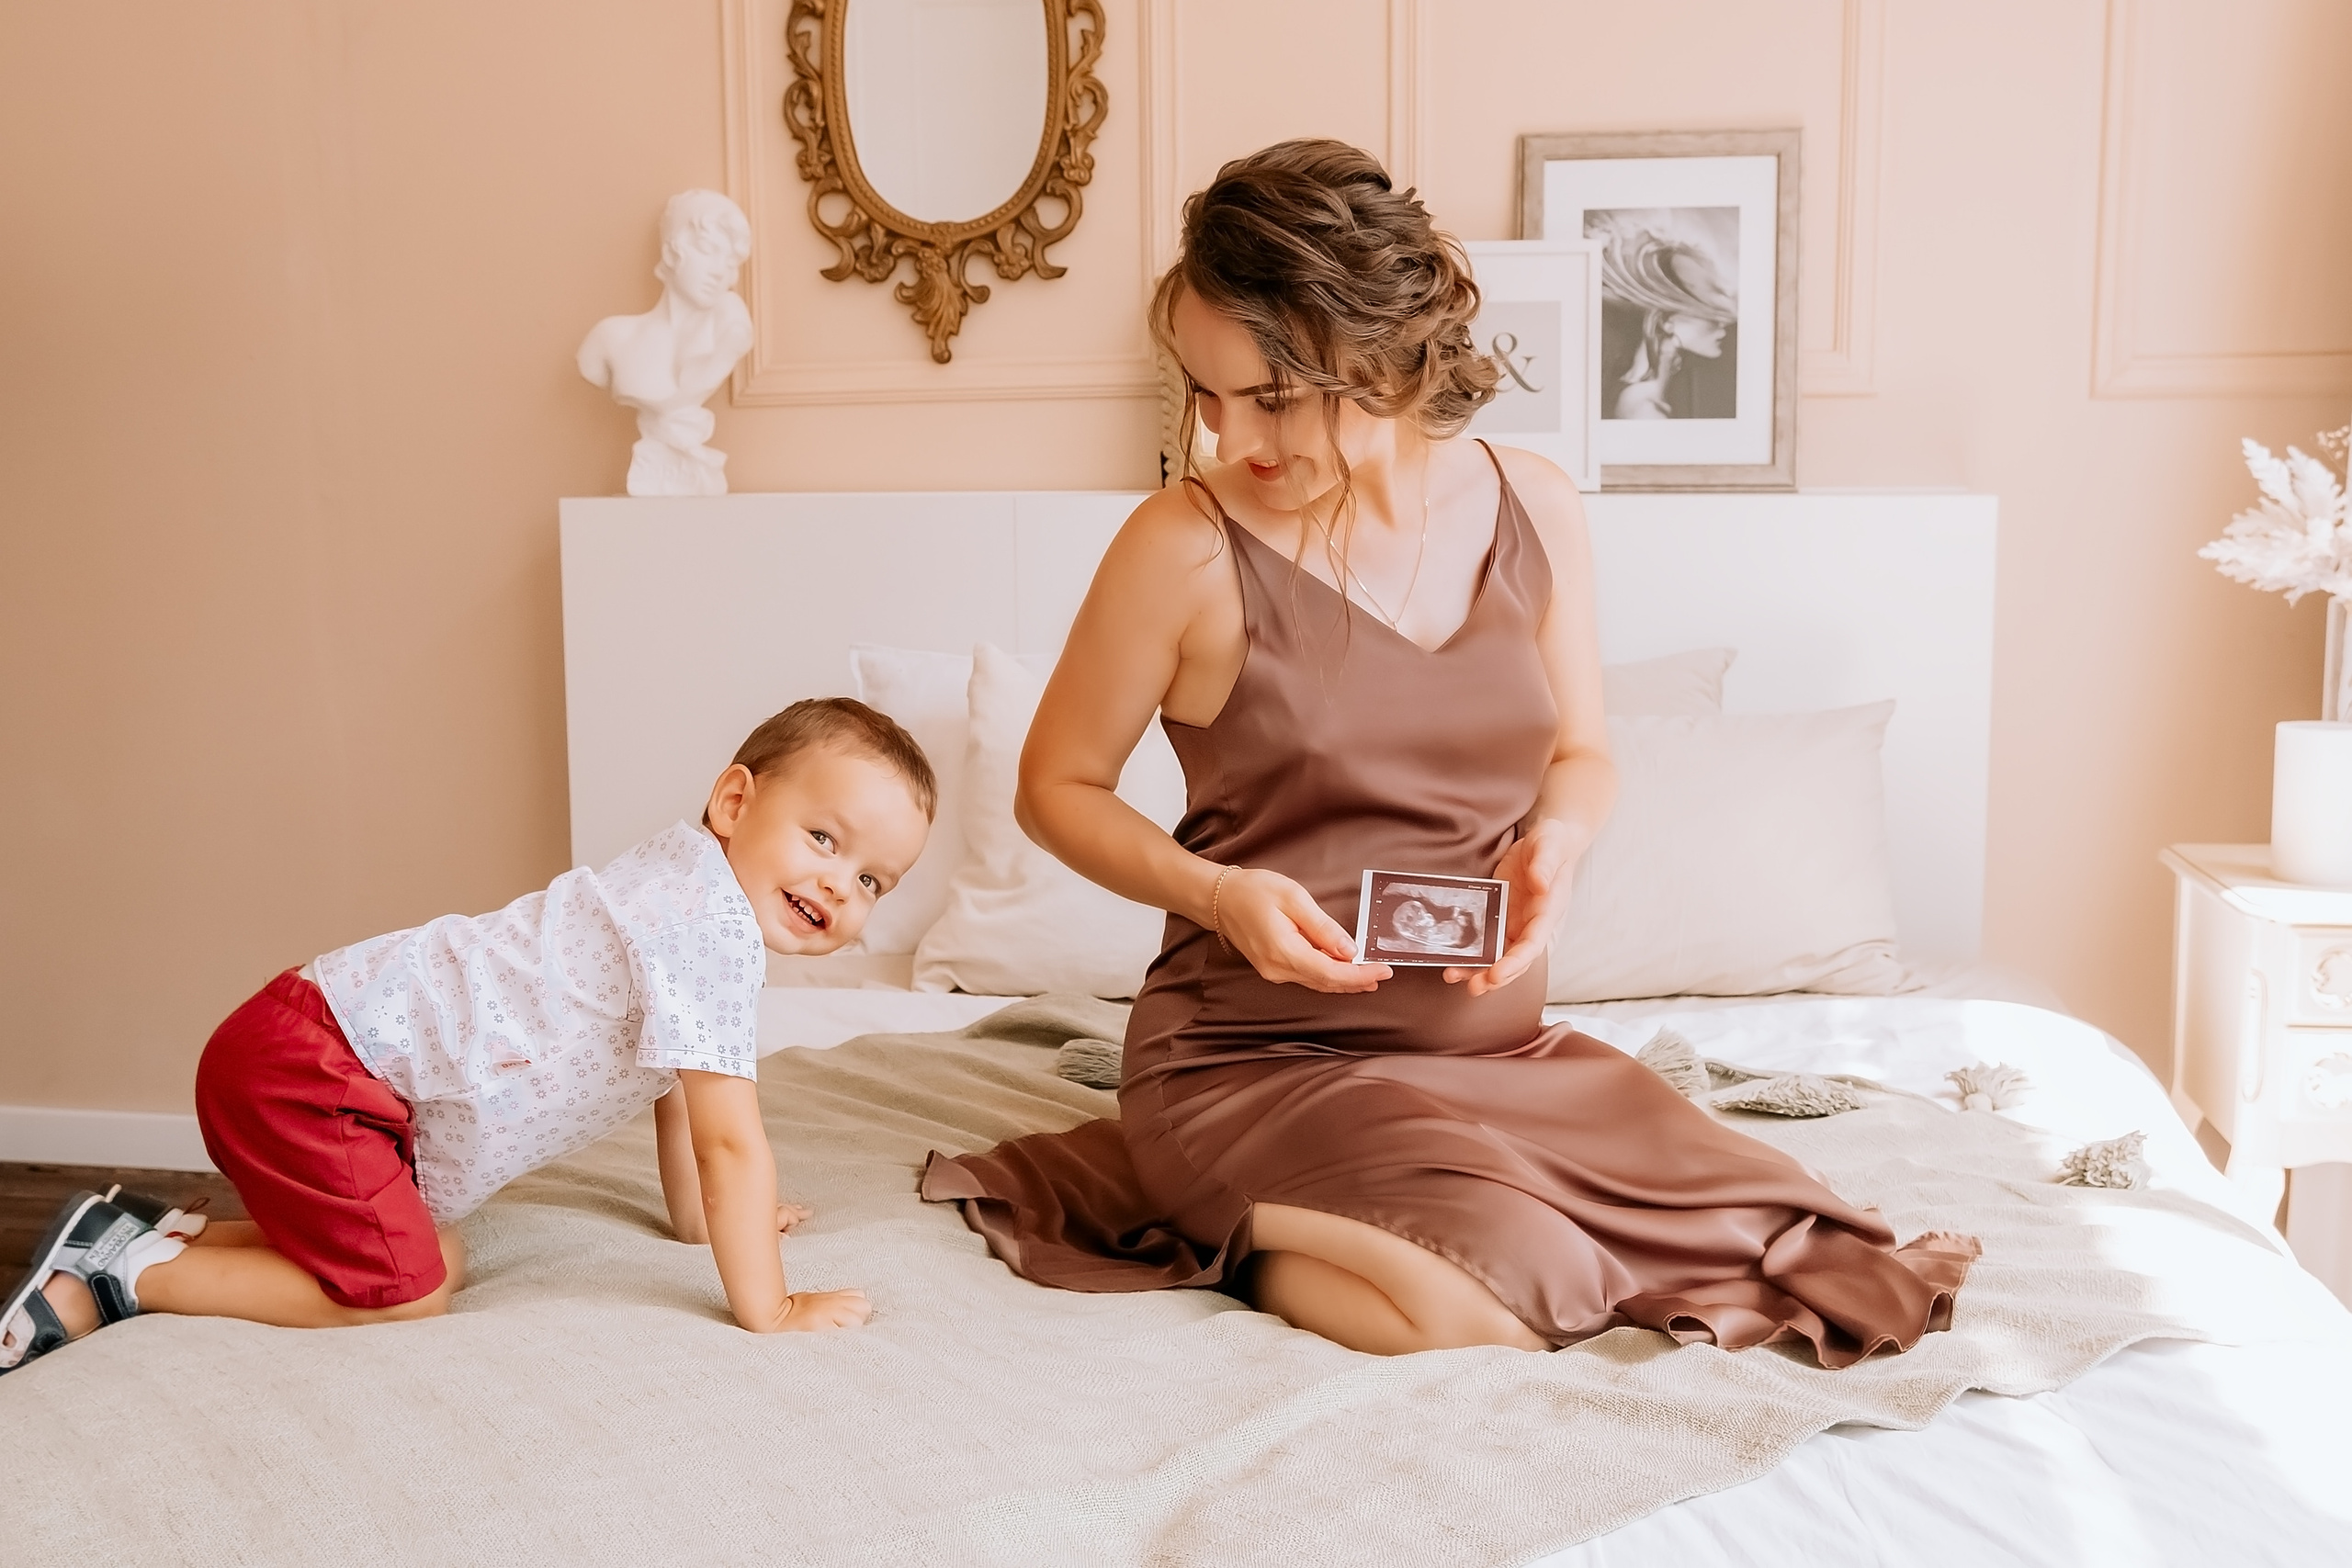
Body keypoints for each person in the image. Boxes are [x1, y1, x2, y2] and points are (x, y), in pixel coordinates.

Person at [922, 141, 1976, 1363]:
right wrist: (1217, 892)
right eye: (1204, 394)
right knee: (1486, 1303)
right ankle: (1249, 1212)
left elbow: (1582, 751)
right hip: (1253, 1055)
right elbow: (1057, 787)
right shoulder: (1183, 545)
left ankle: (1364, 1206)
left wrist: (1560, 844)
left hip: (1499, 1052)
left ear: (1373, 358)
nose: (1223, 438)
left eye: (1264, 397)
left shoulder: (1533, 505)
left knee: (1797, 1234)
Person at [3, 699, 934, 1371]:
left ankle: (151, 1232)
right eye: (823, 838)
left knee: (439, 1253)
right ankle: (125, 1275)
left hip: (315, 1050)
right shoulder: (710, 928)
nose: (838, 886)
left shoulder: (682, 876)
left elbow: (678, 1101)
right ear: (734, 803)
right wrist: (768, 1307)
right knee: (408, 1297)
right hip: (317, 1071)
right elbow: (731, 1139)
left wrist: (699, 1225)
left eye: (872, 882)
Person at [577, 188, 756, 496]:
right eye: (706, 249)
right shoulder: (611, 338)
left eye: (730, 262)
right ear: (672, 250)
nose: (720, 272)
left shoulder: (730, 327)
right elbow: (589, 367)